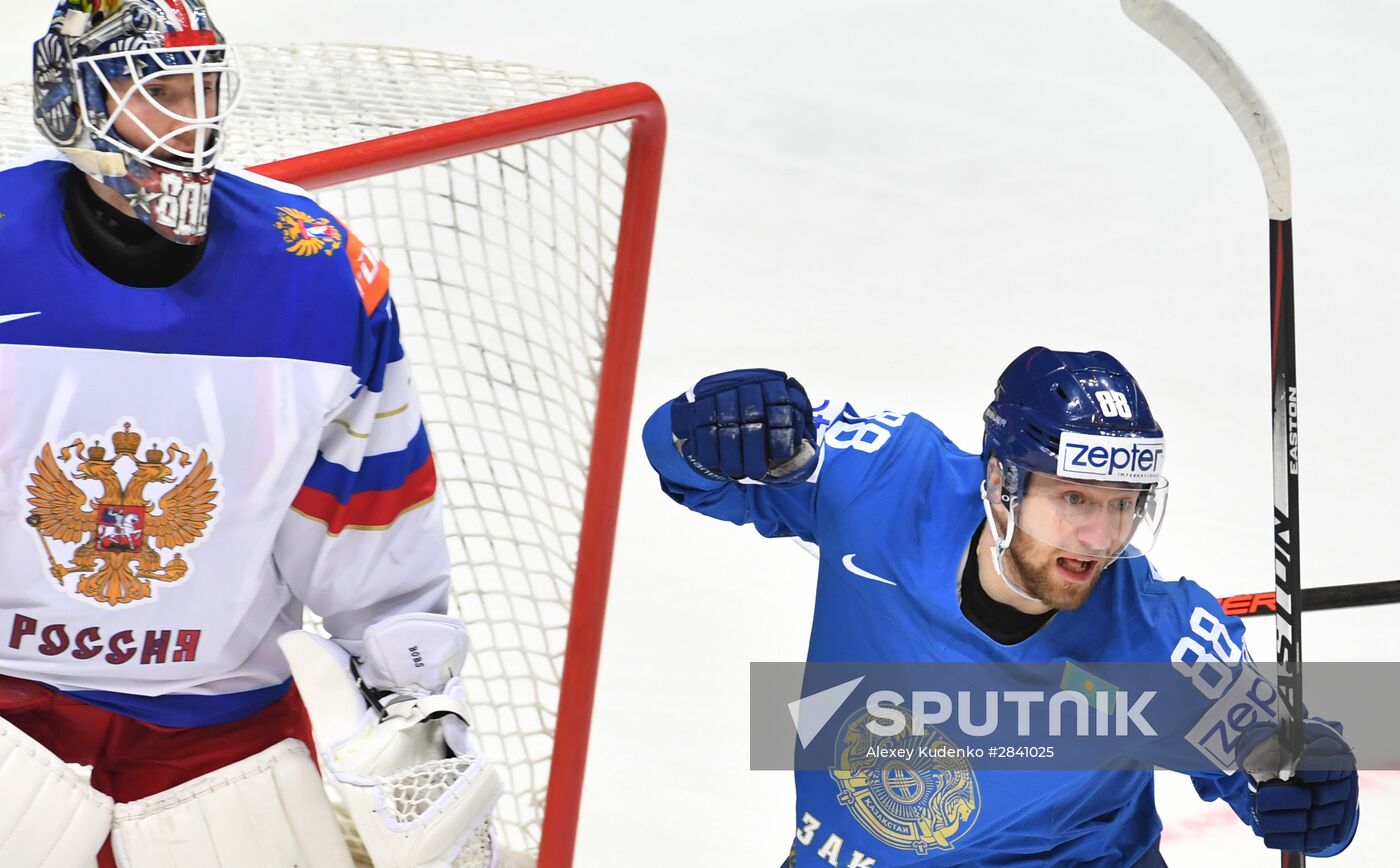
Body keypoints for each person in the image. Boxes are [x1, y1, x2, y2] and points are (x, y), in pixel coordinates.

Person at [0, 2, 496, 866]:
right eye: (159, 95)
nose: (192, 125)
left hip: (221, 733)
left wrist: (411, 710)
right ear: (70, 104)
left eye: (204, 91)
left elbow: (365, 511)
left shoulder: (317, 271)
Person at [643, 350, 1360, 866]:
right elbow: (690, 471)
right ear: (1000, 482)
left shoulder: (1155, 642)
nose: (1100, 537)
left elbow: (1279, 776)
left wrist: (1318, 785)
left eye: (1121, 506)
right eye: (1073, 498)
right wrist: (700, 429)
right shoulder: (885, 481)